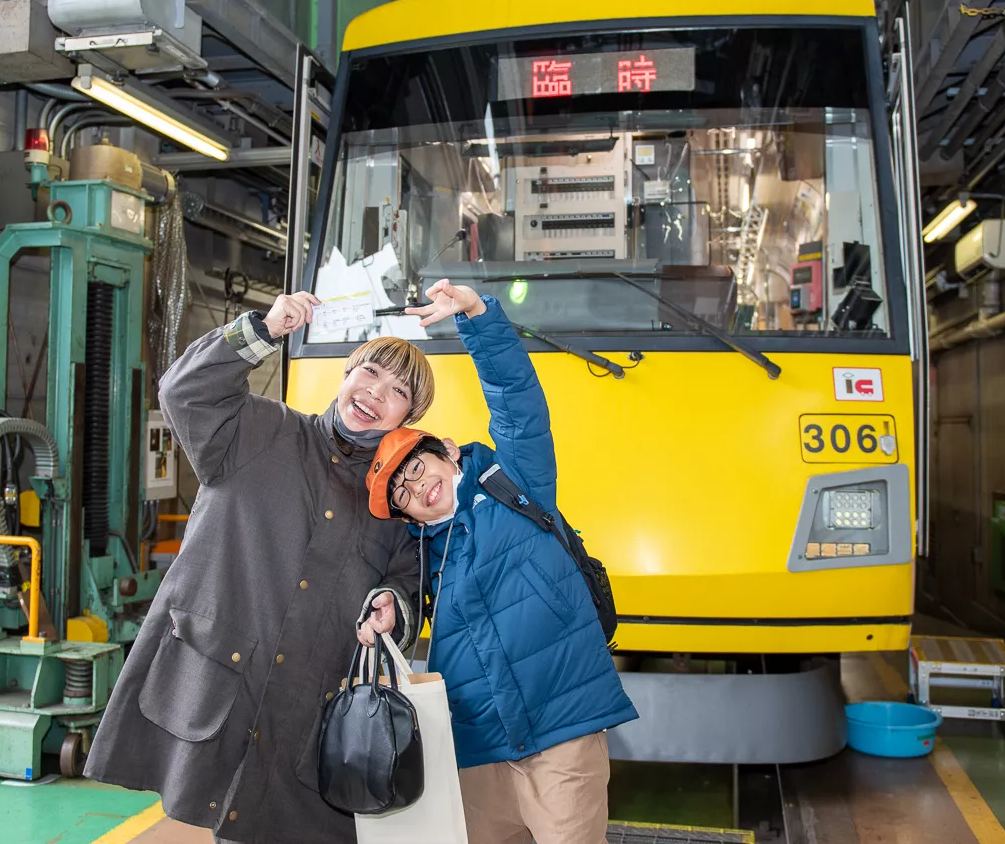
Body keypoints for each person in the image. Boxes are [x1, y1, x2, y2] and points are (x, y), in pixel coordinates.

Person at [86, 293, 426, 844]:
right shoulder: (257, 429)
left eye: (398, 392)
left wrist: (394, 603)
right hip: (222, 688)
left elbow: (411, 578)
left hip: (308, 716)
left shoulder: (391, 502)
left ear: (406, 419)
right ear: (345, 374)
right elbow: (183, 391)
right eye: (370, 372)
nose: (376, 394)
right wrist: (262, 332)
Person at [361, 279, 638, 844]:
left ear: (448, 452)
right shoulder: (419, 553)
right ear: (405, 515)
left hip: (562, 727)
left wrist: (478, 317)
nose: (418, 488)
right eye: (404, 493)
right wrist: (388, 606)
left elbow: (516, 397)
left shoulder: (515, 482)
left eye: (419, 468)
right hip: (478, 743)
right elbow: (400, 603)